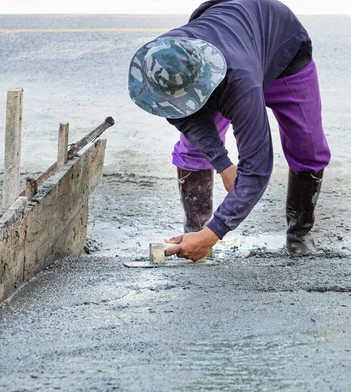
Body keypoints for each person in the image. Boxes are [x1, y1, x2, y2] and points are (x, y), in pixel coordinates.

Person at [128, 0, 331, 261]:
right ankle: (194, 234)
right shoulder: (159, 60)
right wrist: (223, 164)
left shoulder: (239, 84)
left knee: (308, 147)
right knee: (193, 150)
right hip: (233, 34)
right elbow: (184, 117)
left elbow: (257, 168)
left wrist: (215, 231)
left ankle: (299, 235)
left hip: (283, 49)